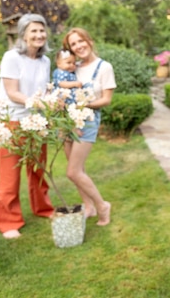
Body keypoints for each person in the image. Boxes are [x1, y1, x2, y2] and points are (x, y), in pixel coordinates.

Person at [0, 13, 55, 239]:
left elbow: (45, 90)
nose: (39, 35)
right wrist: (36, 102)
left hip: (37, 121)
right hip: (12, 121)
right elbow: (12, 92)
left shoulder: (45, 60)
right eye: (34, 31)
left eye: (42, 30)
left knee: (38, 170)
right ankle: (8, 221)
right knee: (10, 173)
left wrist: (50, 101)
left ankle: (43, 208)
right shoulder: (12, 57)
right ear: (23, 35)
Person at [61, 27, 114, 226]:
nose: (78, 46)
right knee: (78, 169)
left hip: (87, 121)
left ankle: (102, 206)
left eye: (80, 41)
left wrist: (83, 105)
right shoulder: (73, 68)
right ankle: (88, 206)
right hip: (67, 122)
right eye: (73, 44)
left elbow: (106, 100)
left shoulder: (104, 67)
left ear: (89, 41)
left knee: (73, 172)